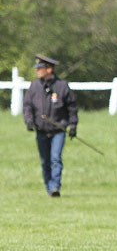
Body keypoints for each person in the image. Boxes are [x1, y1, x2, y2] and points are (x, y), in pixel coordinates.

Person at [23, 55, 78, 197]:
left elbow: (72, 107)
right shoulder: (34, 86)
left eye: (40, 68)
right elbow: (27, 106)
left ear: (49, 69)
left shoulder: (62, 86)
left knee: (56, 158)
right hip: (41, 131)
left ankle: (55, 187)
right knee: (45, 161)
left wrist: (73, 126)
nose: (37, 71)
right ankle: (49, 186)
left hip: (58, 130)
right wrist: (29, 121)